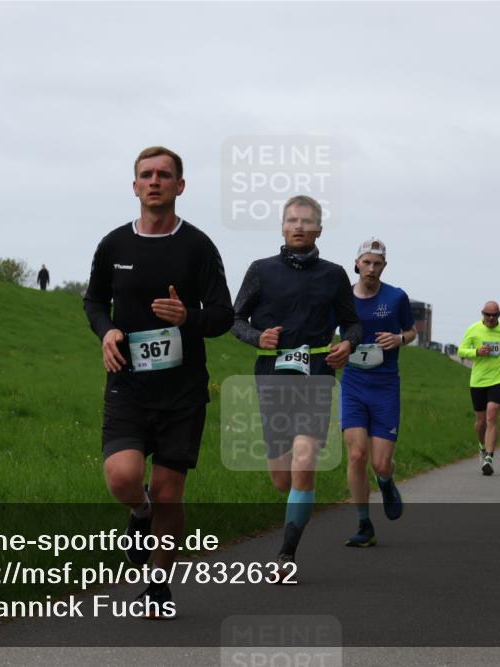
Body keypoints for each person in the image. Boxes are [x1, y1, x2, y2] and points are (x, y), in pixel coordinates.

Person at [83, 146, 234, 615]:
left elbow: (224, 316)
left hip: (183, 391)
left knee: (170, 492)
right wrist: (106, 330)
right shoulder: (113, 246)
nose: (154, 181)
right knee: (123, 477)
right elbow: (93, 302)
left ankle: (157, 585)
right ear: (134, 186)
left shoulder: (199, 247)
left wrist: (188, 316)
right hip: (128, 382)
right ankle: (139, 511)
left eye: (164, 175)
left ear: (179, 186)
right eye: (146, 175)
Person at [232, 195, 360, 580]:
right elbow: (235, 318)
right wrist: (258, 338)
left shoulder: (334, 274)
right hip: (272, 374)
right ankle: (298, 499)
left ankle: (286, 556)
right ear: (282, 227)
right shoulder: (261, 270)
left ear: (319, 229)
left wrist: (347, 345)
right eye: (292, 220)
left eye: (307, 221)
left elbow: (353, 324)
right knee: (282, 477)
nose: (299, 226)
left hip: (318, 374)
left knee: (304, 463)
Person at [339, 238, 417, 547]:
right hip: (354, 383)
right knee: (357, 455)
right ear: (356, 263)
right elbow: (328, 330)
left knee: (381, 463)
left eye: (377, 263)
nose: (371, 268)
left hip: (385, 386)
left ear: (384, 266)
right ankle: (363, 525)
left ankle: (385, 482)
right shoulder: (342, 297)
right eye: (366, 262)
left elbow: (412, 331)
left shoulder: (396, 297)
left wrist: (399, 338)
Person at [457, 301, 500, 475]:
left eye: (495, 315)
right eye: (488, 314)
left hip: (498, 378)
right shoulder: (473, 329)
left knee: (492, 415)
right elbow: (461, 351)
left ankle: (489, 458)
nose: (491, 318)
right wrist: (476, 352)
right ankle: (481, 446)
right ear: (482, 314)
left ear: (499, 315)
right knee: (480, 424)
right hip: (478, 381)